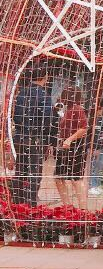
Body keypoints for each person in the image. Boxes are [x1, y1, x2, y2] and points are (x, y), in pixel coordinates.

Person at [10, 67, 56, 206]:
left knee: (20, 171)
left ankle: (17, 202)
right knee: (34, 173)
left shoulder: (22, 93)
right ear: (45, 77)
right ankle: (30, 204)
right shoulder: (44, 95)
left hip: (20, 137)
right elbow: (47, 120)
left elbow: (16, 116)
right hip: (35, 139)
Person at [53, 87, 89, 209]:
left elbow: (84, 128)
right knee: (59, 178)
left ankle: (82, 209)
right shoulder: (68, 109)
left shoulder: (77, 109)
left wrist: (69, 139)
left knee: (76, 179)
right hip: (66, 147)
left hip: (75, 147)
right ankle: (68, 207)